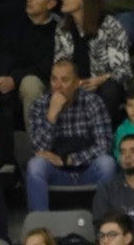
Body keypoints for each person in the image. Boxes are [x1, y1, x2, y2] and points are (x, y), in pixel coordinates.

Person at [25, 58, 118, 214]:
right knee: (35, 166)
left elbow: (104, 145)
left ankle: (105, 224)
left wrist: (69, 160)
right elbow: (38, 150)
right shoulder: (40, 105)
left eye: (64, 80)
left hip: (88, 170)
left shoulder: (93, 102)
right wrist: (51, 116)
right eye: (54, 79)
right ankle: (39, 228)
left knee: (107, 164)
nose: (58, 86)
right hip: (57, 173)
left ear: (77, 83)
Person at [54, 0, 132, 129]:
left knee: (110, 89)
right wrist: (75, 83)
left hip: (103, 84)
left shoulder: (110, 25)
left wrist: (100, 79)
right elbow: (59, 64)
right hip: (74, 84)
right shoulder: (62, 28)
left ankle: (104, 140)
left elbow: (124, 70)